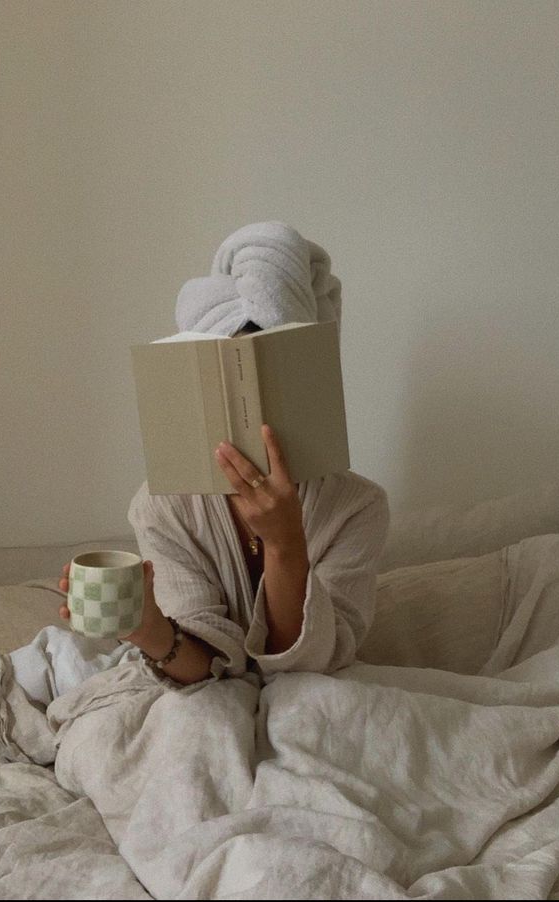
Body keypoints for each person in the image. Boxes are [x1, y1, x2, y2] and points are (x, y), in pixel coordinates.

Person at [56, 222, 390, 689]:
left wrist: (285, 544)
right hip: (202, 695)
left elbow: (309, 671)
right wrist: (148, 628)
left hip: (314, 696)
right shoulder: (162, 505)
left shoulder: (358, 507)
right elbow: (198, 676)